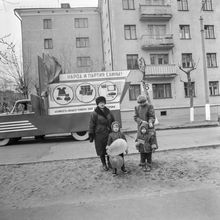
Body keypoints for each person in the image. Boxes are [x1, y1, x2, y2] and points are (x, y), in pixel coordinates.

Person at [89, 96, 115, 171]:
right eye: (100, 103)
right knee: (101, 150)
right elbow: (91, 124)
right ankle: (104, 164)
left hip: (109, 133)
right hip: (99, 134)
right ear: (97, 104)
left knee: (110, 148)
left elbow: (113, 121)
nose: (102, 104)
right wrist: (91, 134)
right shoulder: (94, 113)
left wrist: (115, 130)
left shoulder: (109, 111)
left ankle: (109, 163)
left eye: (103, 102)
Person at [134, 95, 158, 167]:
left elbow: (152, 116)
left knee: (150, 142)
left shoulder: (150, 106)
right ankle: (142, 161)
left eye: (143, 102)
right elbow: (135, 117)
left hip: (149, 127)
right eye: (140, 103)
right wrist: (141, 122)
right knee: (141, 143)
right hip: (141, 128)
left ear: (145, 101)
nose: (142, 104)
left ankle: (149, 160)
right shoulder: (137, 107)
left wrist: (150, 122)